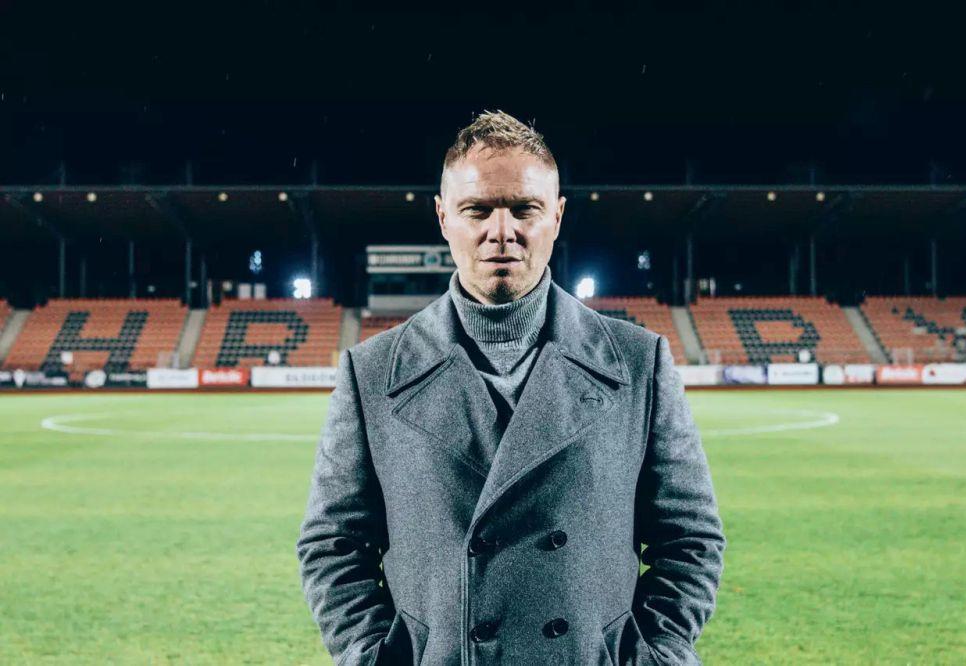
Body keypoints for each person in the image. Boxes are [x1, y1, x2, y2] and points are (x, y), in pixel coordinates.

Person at [297, 110, 726, 665]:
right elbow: (332, 546)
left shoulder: (640, 363)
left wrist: (656, 656)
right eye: (477, 209)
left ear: (557, 216)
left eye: (525, 208)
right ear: (443, 216)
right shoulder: (372, 372)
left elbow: (690, 540)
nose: (502, 231)